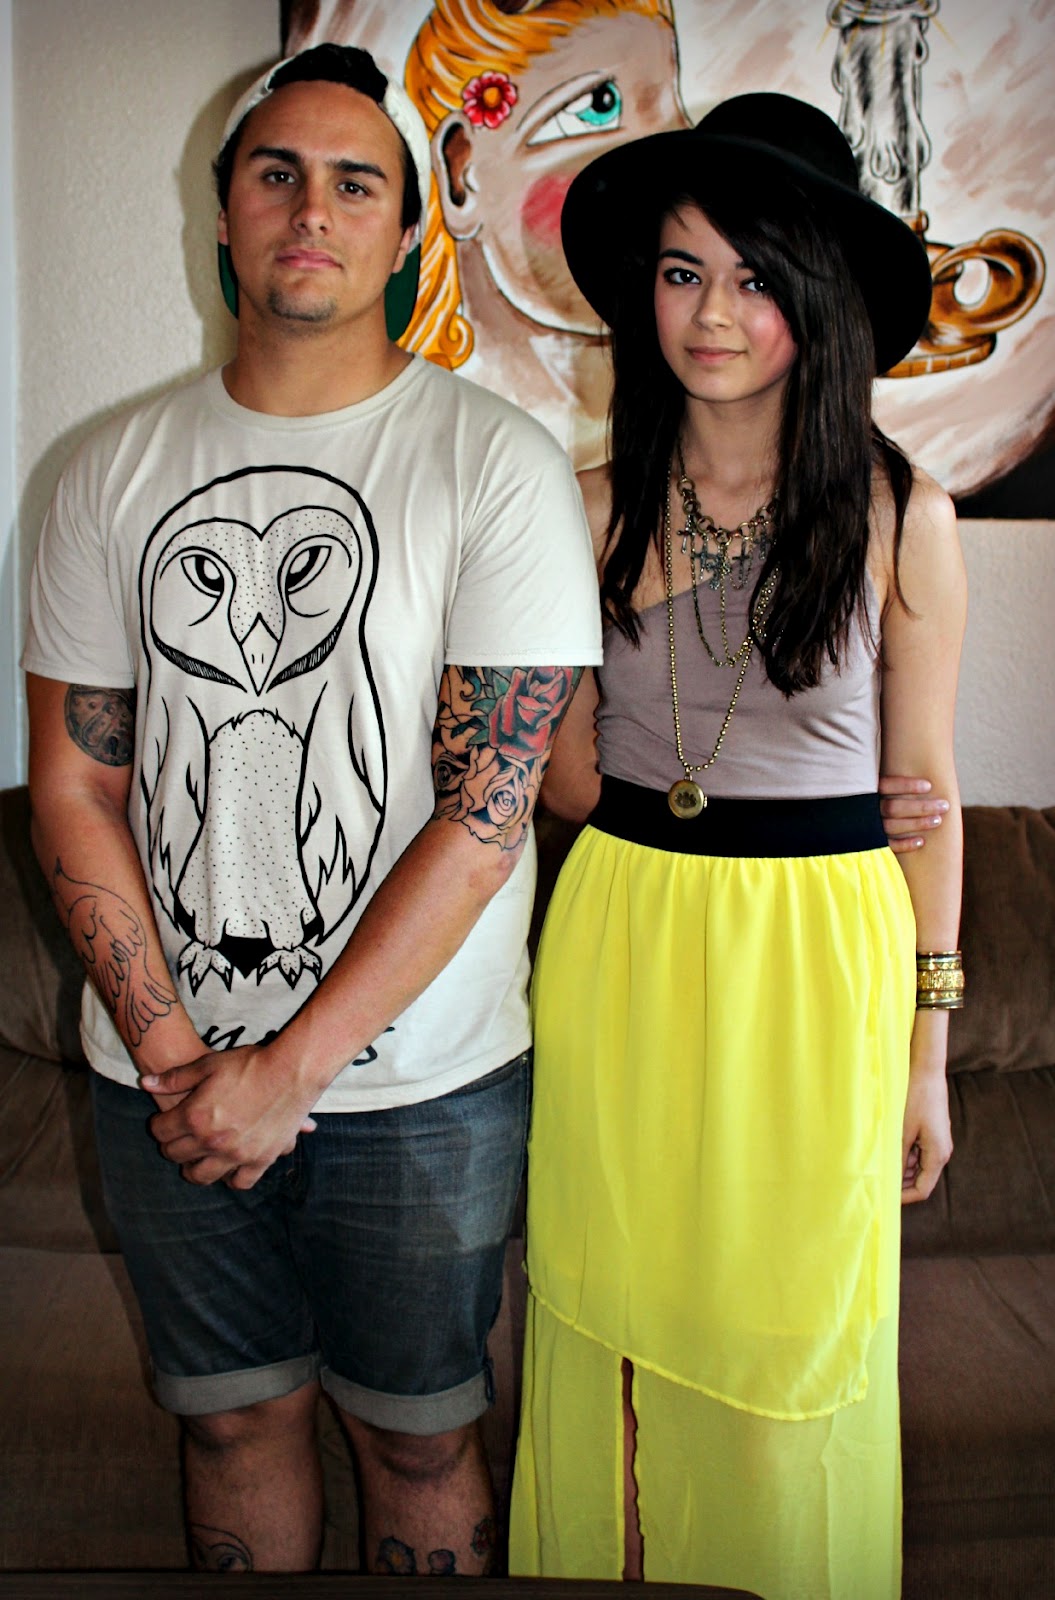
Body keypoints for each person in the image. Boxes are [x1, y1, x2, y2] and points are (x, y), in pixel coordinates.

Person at [23, 44, 602, 1575]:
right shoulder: (102, 473)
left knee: (418, 1441)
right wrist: (179, 1061)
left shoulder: (496, 467)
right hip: (157, 1077)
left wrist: (285, 1071)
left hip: (421, 1091)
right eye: (276, 173)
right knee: (229, 1427)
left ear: (406, 230)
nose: (312, 209)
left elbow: (486, 814)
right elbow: (77, 782)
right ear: (221, 210)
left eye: (356, 183)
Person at [508, 92, 965, 1597]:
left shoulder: (900, 511)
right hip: (623, 933)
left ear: (816, 299)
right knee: (612, 1352)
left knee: (788, 1371)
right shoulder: (581, 508)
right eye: (680, 271)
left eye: (755, 277)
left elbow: (926, 791)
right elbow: (566, 786)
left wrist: (925, 1056)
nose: (711, 313)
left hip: (816, 956)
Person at [401, 0, 687, 468]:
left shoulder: (694, 431)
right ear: (461, 173)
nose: (667, 177)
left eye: (676, 119)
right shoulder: (419, 441)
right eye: (596, 108)